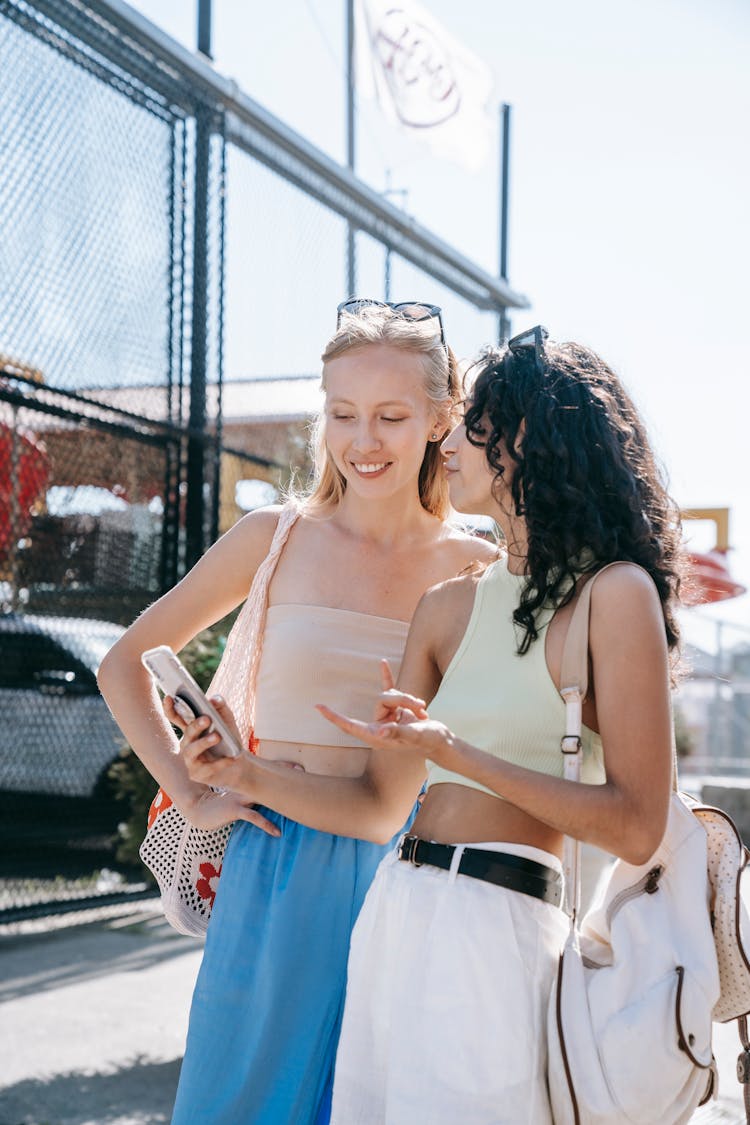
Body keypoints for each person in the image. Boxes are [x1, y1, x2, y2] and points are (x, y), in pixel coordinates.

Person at [179, 327, 682, 1124]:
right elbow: (382, 802)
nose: (449, 437)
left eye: (472, 420)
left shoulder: (614, 595)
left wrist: (457, 753)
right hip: (398, 910)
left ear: (524, 436)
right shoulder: (450, 603)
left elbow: (638, 823)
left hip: (502, 921)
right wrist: (237, 772)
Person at [96, 299, 496, 1125]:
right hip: (274, 868)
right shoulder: (274, 537)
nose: (363, 440)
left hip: (413, 875)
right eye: (342, 413)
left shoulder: (480, 566)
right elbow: (123, 662)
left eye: (390, 415)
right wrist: (192, 786)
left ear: (439, 418)